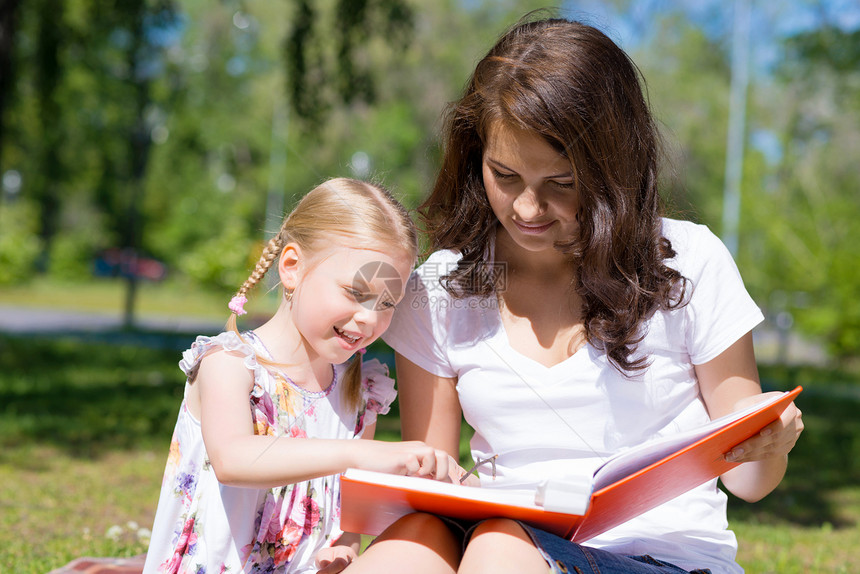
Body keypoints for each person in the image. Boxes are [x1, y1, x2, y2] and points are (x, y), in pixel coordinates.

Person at [341, 15, 804, 574]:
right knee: (409, 547)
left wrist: (769, 442)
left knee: (499, 548)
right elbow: (427, 490)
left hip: (665, 560)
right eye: (504, 175)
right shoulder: (438, 291)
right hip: (507, 543)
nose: (528, 210)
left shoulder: (688, 261)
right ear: (475, 157)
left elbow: (748, 481)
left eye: (561, 184)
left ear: (614, 167)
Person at [142, 178, 457, 574]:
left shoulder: (362, 394)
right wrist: (362, 454)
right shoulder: (230, 363)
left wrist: (344, 549)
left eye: (387, 303)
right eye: (356, 293)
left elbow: (347, 521)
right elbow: (233, 458)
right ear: (292, 267)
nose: (371, 319)